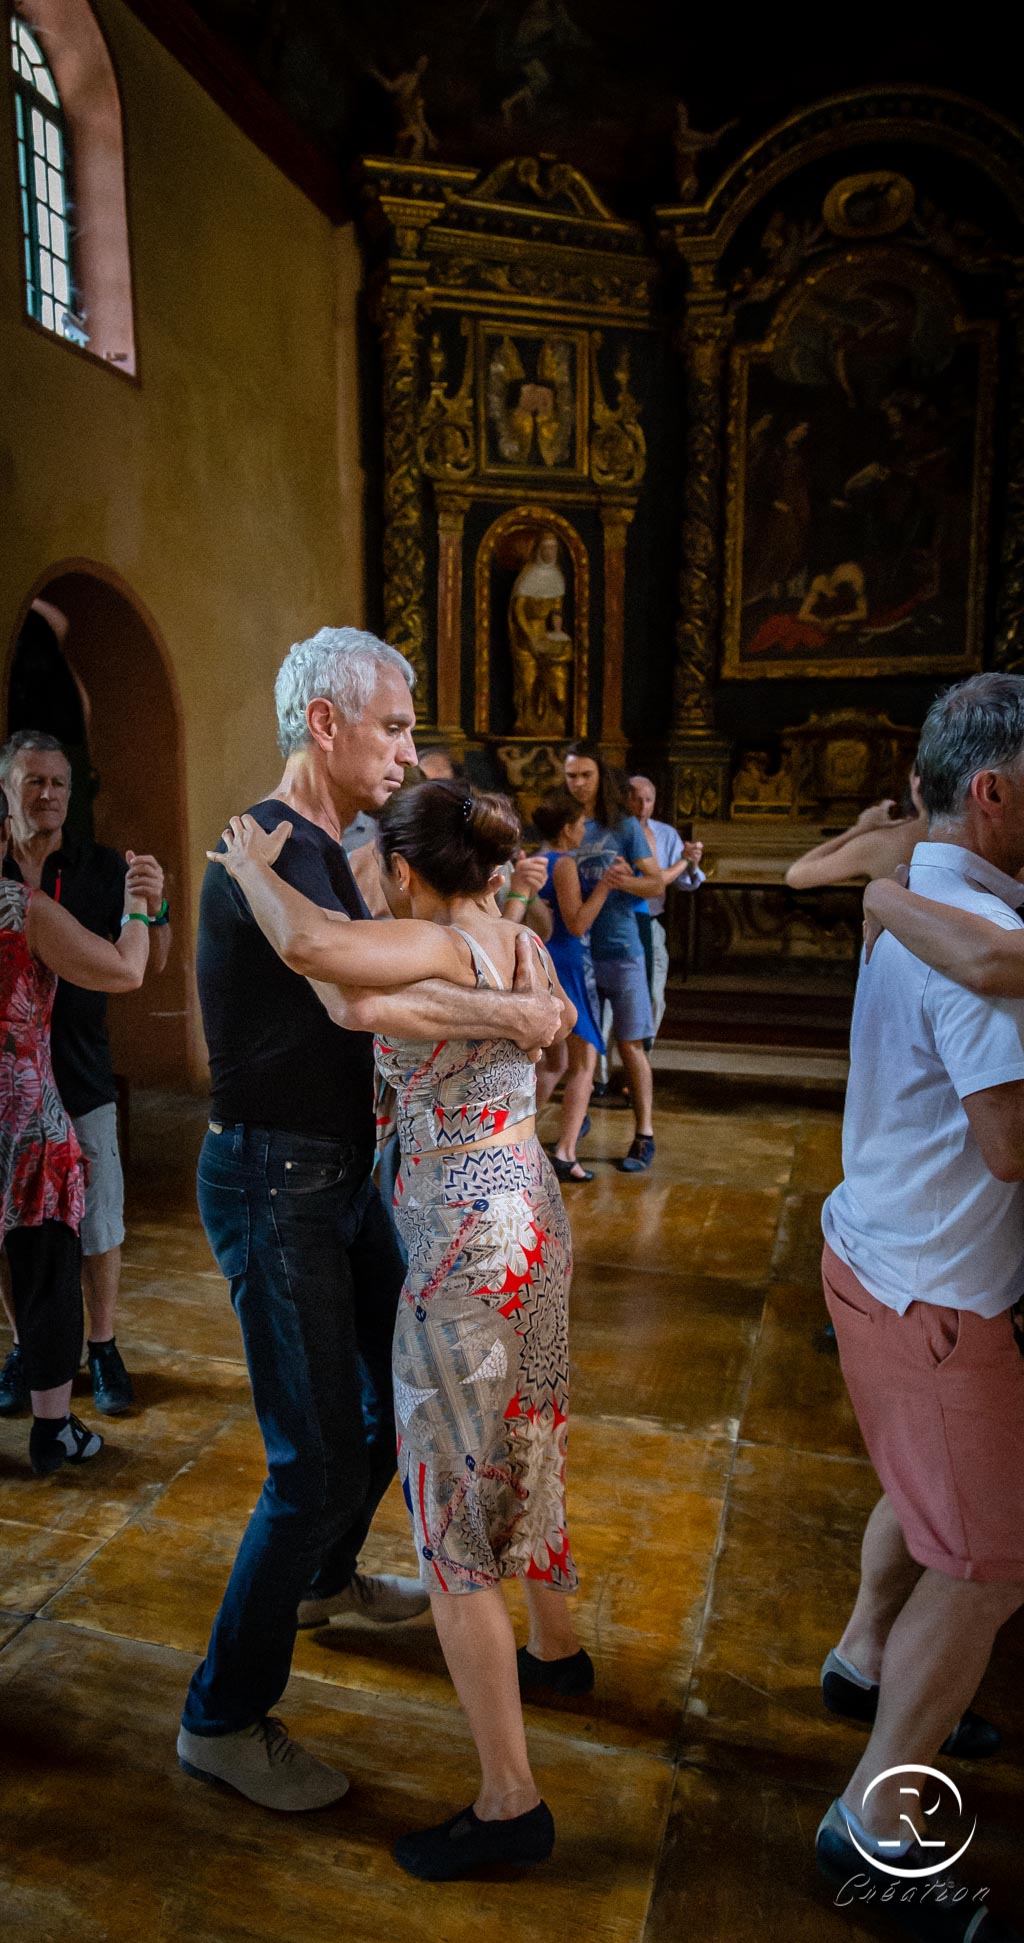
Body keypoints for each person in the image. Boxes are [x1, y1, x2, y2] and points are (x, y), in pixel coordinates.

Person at [177, 627, 564, 1816]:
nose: (409, 748)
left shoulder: (325, 844)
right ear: (328, 725)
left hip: (337, 1172)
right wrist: (507, 1001)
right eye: (394, 725)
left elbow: (393, 982)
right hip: (272, 1175)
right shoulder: (275, 848)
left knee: (382, 1418)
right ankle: (222, 1715)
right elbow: (347, 986)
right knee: (312, 1462)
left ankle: (324, 1579)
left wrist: (499, 994)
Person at [815, 674, 1024, 1936]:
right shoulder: (976, 953)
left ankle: (862, 1661)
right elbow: (1009, 1143)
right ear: (994, 792)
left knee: (926, 1493)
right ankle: (871, 1824)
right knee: (990, 1562)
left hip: (888, 1263)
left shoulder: (937, 901)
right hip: (936, 1295)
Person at [0, 731, 169, 1419]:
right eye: (33, 780)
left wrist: (152, 905)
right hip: (10, 1087)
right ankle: (29, 1347)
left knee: (96, 1221)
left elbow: (148, 963)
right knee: (13, 1225)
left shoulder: (100, 866)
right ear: (7, 789)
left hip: (79, 1068)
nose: (48, 793)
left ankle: (101, 1344)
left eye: (58, 783)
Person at [564, 743, 663, 1171]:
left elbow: (656, 884)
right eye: (571, 776)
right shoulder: (567, 828)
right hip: (578, 952)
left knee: (629, 1045)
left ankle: (644, 1134)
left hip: (621, 948)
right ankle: (574, 1123)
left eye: (585, 775)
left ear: (600, 777)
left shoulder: (624, 827)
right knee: (582, 1047)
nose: (578, 783)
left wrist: (623, 882)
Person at [531, 787, 616, 1182]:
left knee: (555, 1062)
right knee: (585, 1061)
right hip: (565, 960)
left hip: (544, 960)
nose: (585, 829)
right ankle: (565, 1151)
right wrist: (604, 887)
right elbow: (577, 923)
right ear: (567, 829)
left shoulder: (533, 859)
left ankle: (519, 1137)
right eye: (581, 824)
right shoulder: (563, 863)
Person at [627, 775, 705, 1037]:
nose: (643, 806)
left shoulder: (665, 833)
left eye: (648, 800)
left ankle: (642, 1059)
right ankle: (600, 1076)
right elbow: (656, 882)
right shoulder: (613, 832)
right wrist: (681, 862)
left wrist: (691, 861)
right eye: (637, 799)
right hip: (619, 922)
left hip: (651, 922)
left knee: (653, 996)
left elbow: (686, 883)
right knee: (611, 1003)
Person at [784, 774, 926, 889]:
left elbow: (796, 875)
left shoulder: (881, 843)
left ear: (917, 785)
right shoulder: (946, 836)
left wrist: (859, 830)